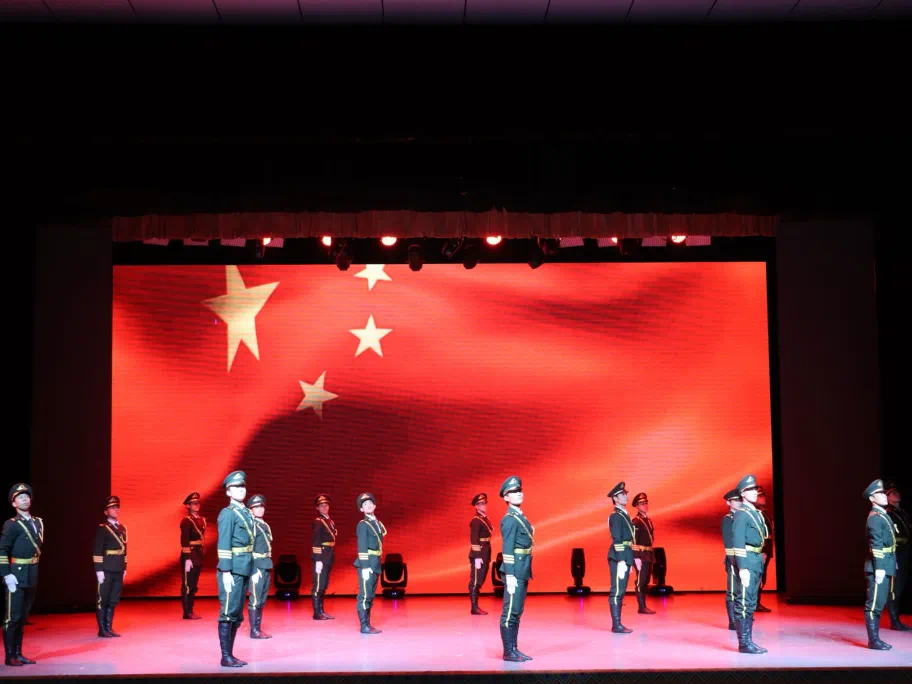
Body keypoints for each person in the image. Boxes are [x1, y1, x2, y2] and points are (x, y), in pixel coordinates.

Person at [0, 483, 43, 666]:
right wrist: (6, 574)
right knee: (13, 618)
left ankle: (18, 653)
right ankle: (10, 656)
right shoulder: (11, 524)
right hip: (16, 575)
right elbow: (2, 550)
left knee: (23, 617)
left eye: (26, 496)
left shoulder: (38, 522)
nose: (25, 499)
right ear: (14, 503)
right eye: (20, 497)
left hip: (32, 573)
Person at [216, 470, 255, 667]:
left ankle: (230, 655)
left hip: (244, 567)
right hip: (232, 570)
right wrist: (225, 572)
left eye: (243, 486)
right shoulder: (228, 514)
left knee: (237, 615)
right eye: (236, 487)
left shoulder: (246, 512)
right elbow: (223, 544)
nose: (241, 490)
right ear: (228, 492)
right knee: (228, 612)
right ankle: (225, 656)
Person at [731, 474, 769, 654]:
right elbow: (738, 542)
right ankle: (744, 643)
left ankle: (749, 640)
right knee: (744, 602)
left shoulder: (755, 513)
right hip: (747, 559)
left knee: (751, 601)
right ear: (743, 494)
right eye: (751, 490)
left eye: (755, 489)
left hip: (755, 559)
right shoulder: (742, 514)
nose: (755, 492)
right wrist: (742, 567)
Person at [499, 476, 533, 662]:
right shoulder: (510, 519)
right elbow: (507, 548)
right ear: (506, 497)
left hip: (523, 567)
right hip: (515, 570)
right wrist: (510, 575)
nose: (518, 493)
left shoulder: (520, 516)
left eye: (519, 490)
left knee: (517, 611)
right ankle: (508, 651)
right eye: (513, 492)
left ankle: (514, 648)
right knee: (510, 612)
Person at [863, 479, 897, 650]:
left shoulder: (882, 514)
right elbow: (876, 545)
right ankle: (873, 640)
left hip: (886, 562)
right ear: (872, 498)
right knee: (874, 605)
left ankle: (875, 639)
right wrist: (880, 569)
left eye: (884, 493)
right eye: (880, 493)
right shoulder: (875, 518)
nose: (884, 496)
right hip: (879, 565)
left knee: (880, 602)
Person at [93, 496, 127, 639]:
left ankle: (109, 627)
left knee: (113, 599)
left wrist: (124, 567)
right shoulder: (102, 528)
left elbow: (125, 550)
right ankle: (102, 629)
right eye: (112, 508)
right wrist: (99, 570)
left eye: (117, 507)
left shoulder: (122, 528)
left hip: (118, 567)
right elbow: (97, 550)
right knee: (103, 599)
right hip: (106, 568)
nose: (116, 510)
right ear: (106, 512)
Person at [354, 493, 386, 634]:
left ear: (374, 506)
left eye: (370, 503)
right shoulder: (363, 524)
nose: (368, 505)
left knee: (371, 595)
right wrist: (365, 567)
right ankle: (364, 626)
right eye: (365, 504)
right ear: (361, 509)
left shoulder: (376, 523)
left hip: (375, 562)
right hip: (367, 563)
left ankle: (368, 624)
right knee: (365, 595)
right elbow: (362, 546)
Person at [607, 481, 634, 634]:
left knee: (621, 590)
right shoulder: (616, 516)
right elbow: (617, 540)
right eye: (622, 495)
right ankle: (616, 625)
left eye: (625, 494)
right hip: (619, 556)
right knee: (617, 591)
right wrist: (622, 560)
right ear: (615, 498)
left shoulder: (623, 514)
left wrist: (630, 558)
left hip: (625, 554)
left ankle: (618, 624)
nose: (626, 497)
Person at [246, 494, 273, 639]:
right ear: (251, 510)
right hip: (257, 565)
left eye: (262, 506)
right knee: (255, 599)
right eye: (256, 507)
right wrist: (253, 569)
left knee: (261, 598)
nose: (260, 509)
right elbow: (248, 549)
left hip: (265, 563)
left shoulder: (264, 524)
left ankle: (258, 628)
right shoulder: (252, 526)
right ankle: (254, 631)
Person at [884, 481, 910, 631]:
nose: (897, 494)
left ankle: (897, 619)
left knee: (901, 584)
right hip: (896, 551)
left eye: (897, 492)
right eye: (893, 493)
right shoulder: (889, 513)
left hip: (905, 550)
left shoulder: (902, 512)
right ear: (888, 497)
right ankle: (894, 621)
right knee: (895, 586)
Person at [180, 492, 206, 620]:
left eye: (198, 503)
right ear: (188, 506)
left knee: (194, 585)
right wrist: (187, 559)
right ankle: (187, 612)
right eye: (194, 503)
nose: (197, 505)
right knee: (187, 585)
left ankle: (191, 609)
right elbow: (184, 541)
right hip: (189, 555)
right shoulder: (187, 521)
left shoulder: (201, 520)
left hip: (198, 555)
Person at [311, 494, 336, 620]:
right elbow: (316, 541)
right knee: (318, 584)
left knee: (324, 584)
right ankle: (317, 613)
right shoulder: (318, 522)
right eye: (321, 506)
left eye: (326, 505)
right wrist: (318, 560)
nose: (324, 507)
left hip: (329, 554)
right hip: (322, 555)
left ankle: (321, 611)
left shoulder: (329, 521)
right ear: (317, 508)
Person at [631, 492, 656, 615]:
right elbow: (633, 541)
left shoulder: (647, 520)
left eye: (646, 503)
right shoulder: (636, 521)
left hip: (647, 554)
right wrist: (636, 557)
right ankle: (642, 607)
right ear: (637, 506)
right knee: (641, 581)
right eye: (642, 504)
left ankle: (643, 606)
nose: (645, 505)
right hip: (640, 555)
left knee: (645, 580)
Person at [468, 492, 493, 615]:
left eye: (485, 503)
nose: (484, 505)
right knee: (476, 580)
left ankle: (475, 606)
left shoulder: (484, 518)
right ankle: (474, 607)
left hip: (485, 552)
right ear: (476, 506)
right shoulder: (476, 520)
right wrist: (477, 557)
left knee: (481, 579)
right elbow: (474, 539)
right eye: (481, 504)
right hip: (479, 554)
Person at [721, 488, 742, 630]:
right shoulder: (728, 519)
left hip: (744, 558)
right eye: (735, 500)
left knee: (742, 590)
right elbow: (728, 541)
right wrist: (734, 560)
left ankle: (741, 618)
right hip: (734, 559)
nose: (739, 502)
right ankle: (733, 621)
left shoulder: (742, 516)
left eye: (740, 500)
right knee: (733, 590)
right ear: (728, 503)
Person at [754, 485, 773, 612]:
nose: (764, 498)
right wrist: (762, 551)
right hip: (761, 550)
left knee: (761, 576)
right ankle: (754, 604)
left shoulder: (762, 512)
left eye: (764, 495)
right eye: (760, 496)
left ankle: (756, 603)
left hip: (766, 548)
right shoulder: (755, 513)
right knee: (757, 577)